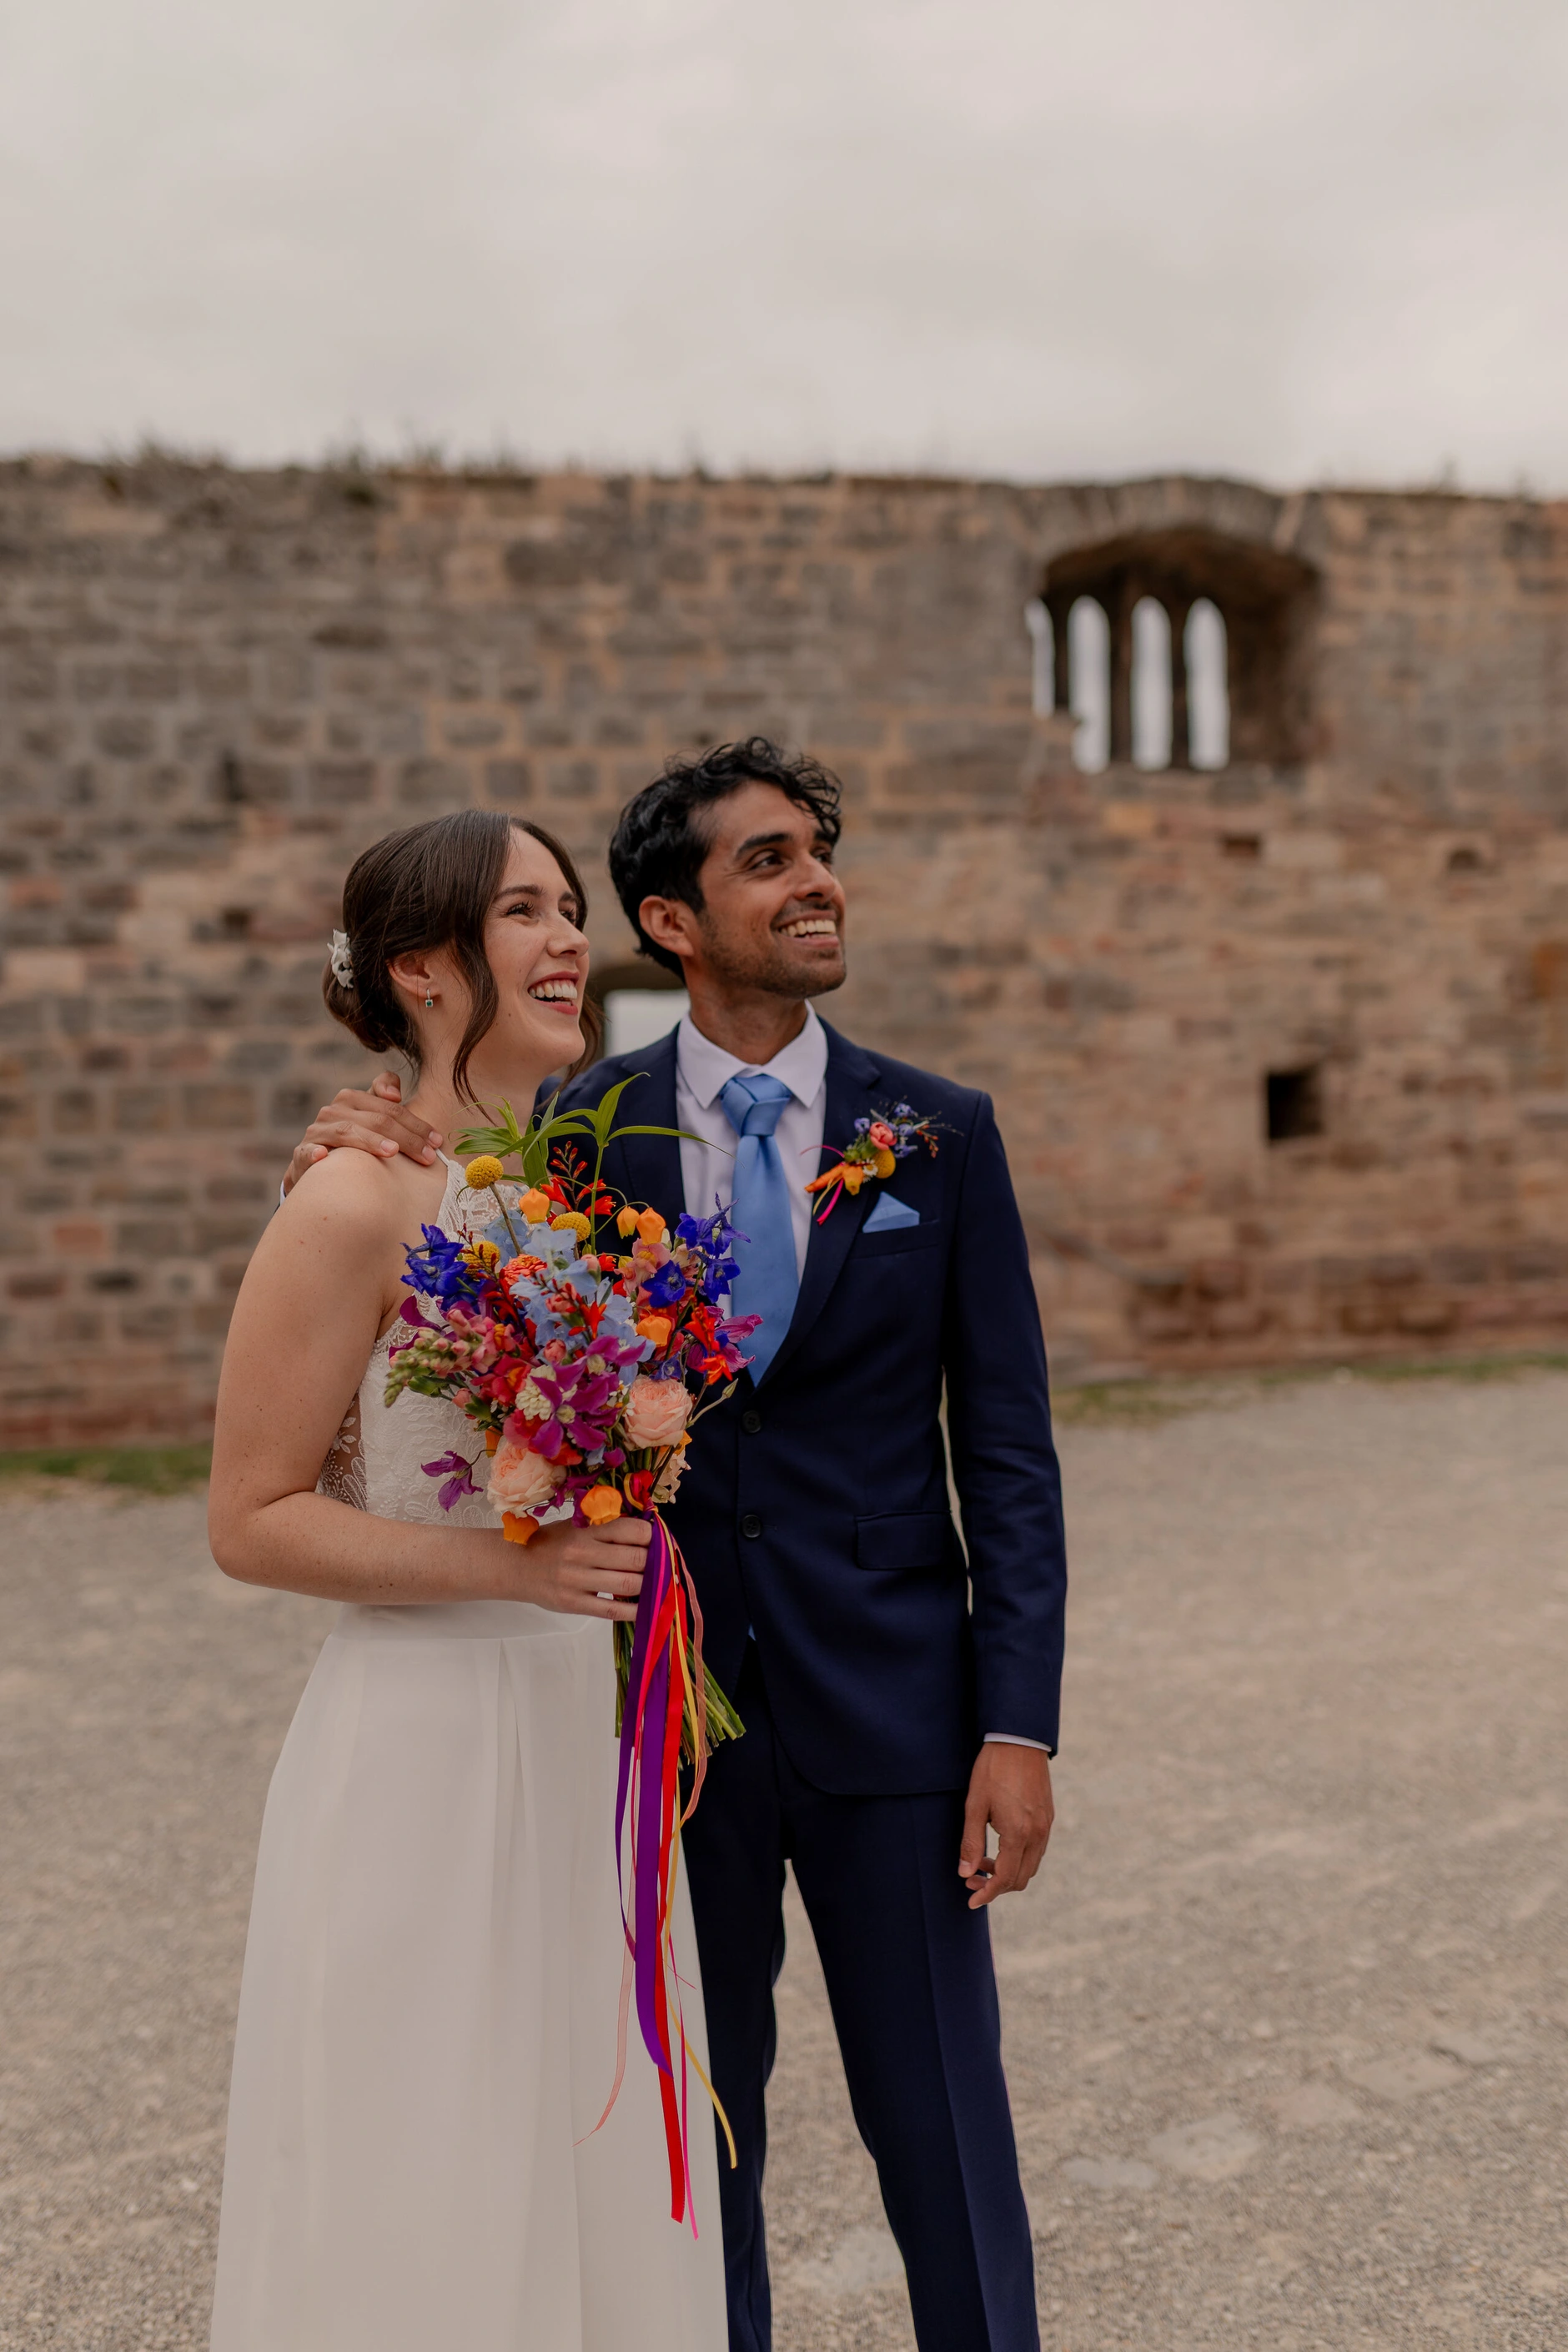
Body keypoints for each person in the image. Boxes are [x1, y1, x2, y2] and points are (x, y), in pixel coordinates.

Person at [284, 740, 1068, 2352]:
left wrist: (1017, 1721)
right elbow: (445, 1245)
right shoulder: (572, 1133)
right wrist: (356, 1132)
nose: (818, 881)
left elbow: (1006, 1455)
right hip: (656, 1727)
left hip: (900, 1722)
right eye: (770, 860)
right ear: (679, 916)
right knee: (692, 2158)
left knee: (948, 2139)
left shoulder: (943, 1135)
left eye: (817, 853)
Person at [209, 809, 726, 2352]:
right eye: (526, 912)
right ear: (423, 969)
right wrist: (519, 1559)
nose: (572, 938)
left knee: (589, 2152)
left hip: (582, 1736)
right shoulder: (352, 1201)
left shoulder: (560, 1197)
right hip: (424, 1744)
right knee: (431, 2168)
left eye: (571, 908)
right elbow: (250, 1517)